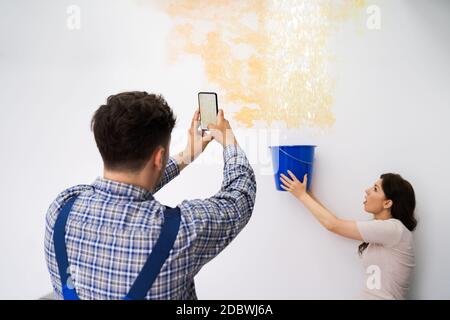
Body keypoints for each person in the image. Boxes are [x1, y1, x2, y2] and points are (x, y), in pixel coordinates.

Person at [44, 91, 256, 300]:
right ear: (159, 157)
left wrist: (186, 156)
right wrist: (229, 141)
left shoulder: (61, 209)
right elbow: (239, 198)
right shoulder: (182, 233)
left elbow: (124, 190)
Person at [280, 171, 417, 299]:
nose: (367, 190)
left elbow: (333, 224)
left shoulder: (393, 229)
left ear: (387, 203)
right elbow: (334, 221)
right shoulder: (385, 231)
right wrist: (308, 194)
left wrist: (302, 196)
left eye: (375, 189)